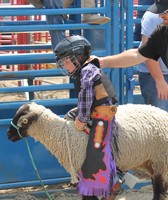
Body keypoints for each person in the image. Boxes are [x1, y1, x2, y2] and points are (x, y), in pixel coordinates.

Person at [54, 35, 120, 200]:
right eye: (63, 62)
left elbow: (86, 96)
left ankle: (113, 182)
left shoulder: (87, 70)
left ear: (79, 56)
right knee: (70, 116)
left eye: (67, 60)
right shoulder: (85, 68)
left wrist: (82, 118)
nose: (65, 65)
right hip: (96, 109)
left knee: (97, 149)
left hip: (103, 114)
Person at [96, 0, 168, 102]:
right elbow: (138, 55)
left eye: (164, 12)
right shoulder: (161, 31)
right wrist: (101, 61)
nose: (160, 16)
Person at [137, 10, 168, 111]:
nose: (161, 16)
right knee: (160, 117)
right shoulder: (152, 18)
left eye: (164, 11)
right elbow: (148, 54)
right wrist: (160, 80)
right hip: (154, 74)